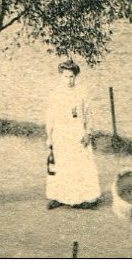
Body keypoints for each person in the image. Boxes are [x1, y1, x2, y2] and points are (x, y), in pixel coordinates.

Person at [43, 60, 101, 209]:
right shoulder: (55, 94)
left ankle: (86, 198)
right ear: (61, 76)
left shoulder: (82, 92)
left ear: (76, 76)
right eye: (66, 76)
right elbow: (50, 117)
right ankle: (58, 197)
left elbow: (88, 115)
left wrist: (88, 133)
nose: (69, 80)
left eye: (72, 77)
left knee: (81, 165)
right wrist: (49, 136)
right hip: (60, 134)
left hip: (77, 133)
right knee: (61, 166)